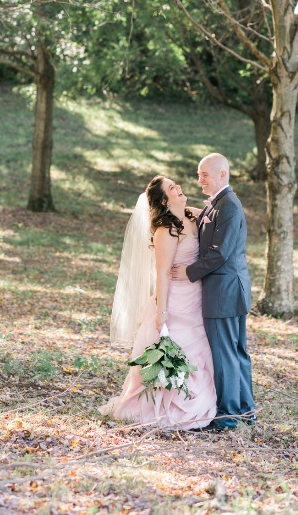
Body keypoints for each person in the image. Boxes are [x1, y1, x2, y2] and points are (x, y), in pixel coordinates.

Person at [99, 175, 217, 430]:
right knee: (175, 347)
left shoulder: (193, 216)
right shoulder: (166, 230)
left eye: (177, 184)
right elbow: (162, 273)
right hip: (175, 300)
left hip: (196, 298)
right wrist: (162, 312)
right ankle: (160, 407)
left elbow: (214, 215)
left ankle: (197, 400)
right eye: (173, 188)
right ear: (164, 199)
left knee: (198, 350)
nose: (180, 188)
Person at [171, 153, 255, 430]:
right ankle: (245, 410)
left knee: (225, 353)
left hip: (223, 291)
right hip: (228, 289)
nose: (200, 179)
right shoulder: (218, 204)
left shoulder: (229, 205)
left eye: (204, 174)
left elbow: (220, 254)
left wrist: (188, 272)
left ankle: (229, 415)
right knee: (235, 351)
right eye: (198, 174)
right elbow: (204, 222)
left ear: (222, 175)